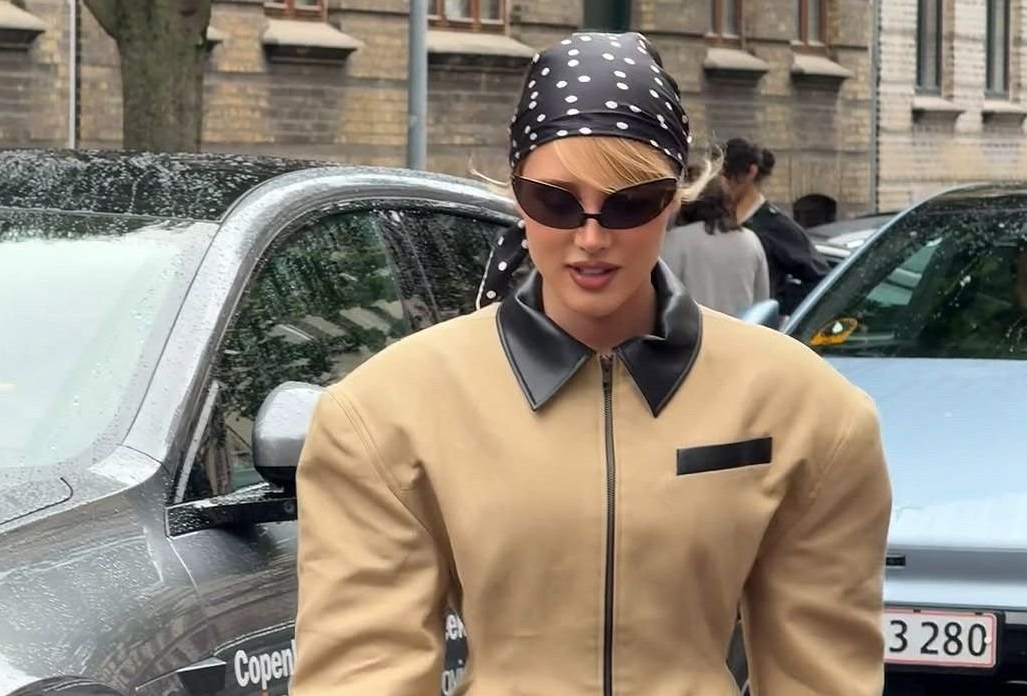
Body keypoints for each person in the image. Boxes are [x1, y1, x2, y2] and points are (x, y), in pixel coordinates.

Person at [293, 31, 891, 696]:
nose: (591, 236)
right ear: (516, 195)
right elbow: (360, 676)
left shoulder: (808, 411)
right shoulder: (385, 414)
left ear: (676, 197)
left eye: (629, 202)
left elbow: (823, 675)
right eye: (555, 200)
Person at [722, 137, 829, 315]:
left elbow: (820, 280)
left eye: (727, 176)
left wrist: (775, 302)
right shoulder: (714, 220)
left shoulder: (775, 225)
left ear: (750, 172)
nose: (721, 184)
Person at [661, 166, 770, 316]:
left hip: (693, 329)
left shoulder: (675, 240)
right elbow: (762, 302)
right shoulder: (751, 241)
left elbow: (664, 297)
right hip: (740, 329)